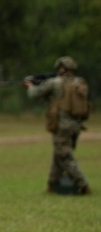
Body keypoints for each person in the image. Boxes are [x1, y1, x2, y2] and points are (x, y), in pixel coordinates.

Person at [24, 56, 91, 195]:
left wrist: (30, 86)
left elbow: (35, 94)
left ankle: (83, 185)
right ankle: (52, 185)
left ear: (60, 69)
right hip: (76, 126)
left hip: (62, 125)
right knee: (59, 154)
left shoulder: (55, 83)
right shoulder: (80, 83)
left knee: (64, 156)